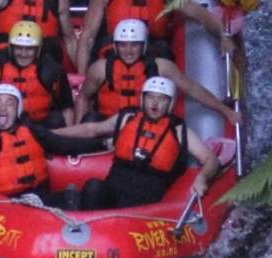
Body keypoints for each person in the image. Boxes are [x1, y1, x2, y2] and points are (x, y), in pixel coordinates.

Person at [50, 77, 219, 210]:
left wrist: (202, 178)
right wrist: (52, 134)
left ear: (170, 104)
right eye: (150, 97)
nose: (155, 103)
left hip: (146, 202)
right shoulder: (127, 118)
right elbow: (91, 130)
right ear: (142, 99)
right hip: (114, 191)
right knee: (93, 187)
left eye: (162, 99)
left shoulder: (178, 130)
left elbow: (210, 159)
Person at [0, 84, 102, 208]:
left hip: (42, 198)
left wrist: (102, 144)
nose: (3, 109)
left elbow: (64, 144)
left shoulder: (33, 131)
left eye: (9, 104)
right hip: (10, 206)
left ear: (18, 110)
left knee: (77, 195)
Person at [76, 19, 236, 123]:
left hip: (145, 126)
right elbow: (83, 98)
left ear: (143, 46)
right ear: (116, 47)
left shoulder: (161, 66)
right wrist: (78, 125)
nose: (128, 51)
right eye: (123, 45)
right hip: (107, 126)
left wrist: (225, 111)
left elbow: (192, 88)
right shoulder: (100, 69)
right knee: (90, 119)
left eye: (134, 45)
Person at [73, 0, 236, 65]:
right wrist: (82, 77)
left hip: (153, 51)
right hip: (115, 50)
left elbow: (201, 14)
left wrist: (224, 35)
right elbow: (88, 36)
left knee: (162, 53)